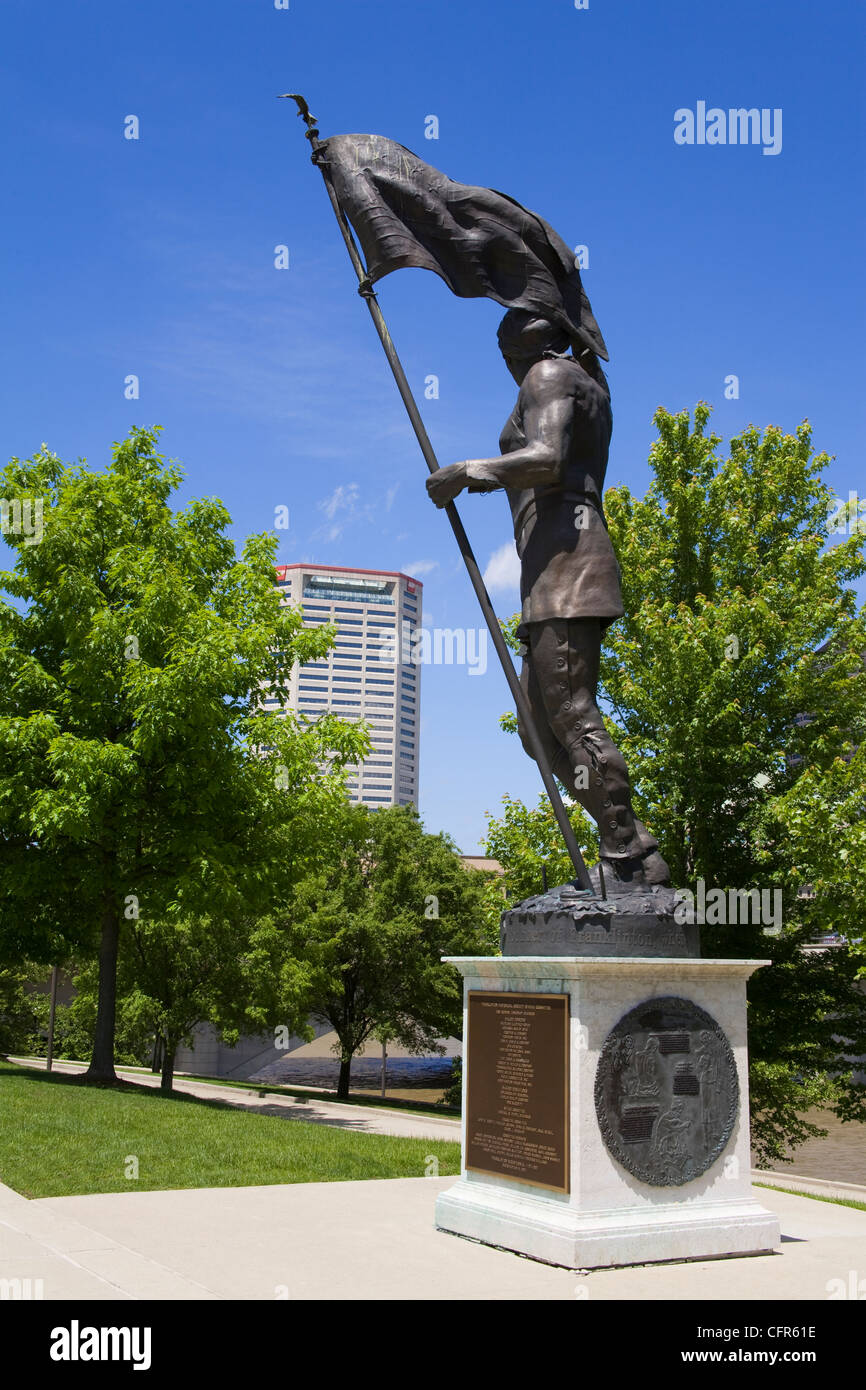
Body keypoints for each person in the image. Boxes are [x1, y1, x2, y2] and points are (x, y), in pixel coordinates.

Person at [426, 308, 669, 892]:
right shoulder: (577, 378)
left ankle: (624, 861)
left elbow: (549, 459)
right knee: (538, 727)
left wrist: (468, 470)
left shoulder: (550, 375)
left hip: (569, 566)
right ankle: (634, 845)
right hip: (552, 569)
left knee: (569, 713)